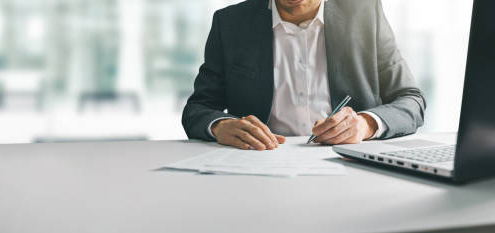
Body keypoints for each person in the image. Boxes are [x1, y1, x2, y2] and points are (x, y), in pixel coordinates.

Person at [182, 0, 426, 151]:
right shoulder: (231, 23)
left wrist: (366, 124)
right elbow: (198, 108)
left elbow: (411, 101)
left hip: (351, 166)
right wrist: (220, 126)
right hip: (259, 165)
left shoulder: (365, 13)